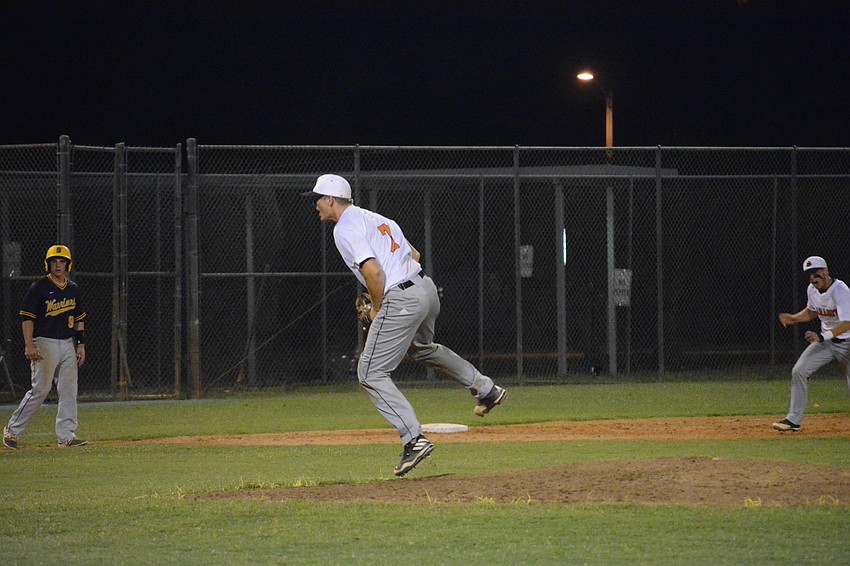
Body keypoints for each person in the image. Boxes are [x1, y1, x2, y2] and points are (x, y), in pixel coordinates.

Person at [303, 174, 507, 476]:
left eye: (318, 198)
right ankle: (485, 388)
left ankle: (414, 439)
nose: (316, 205)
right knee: (423, 348)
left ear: (331, 199)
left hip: (400, 298)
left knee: (370, 372)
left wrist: (377, 310)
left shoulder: (344, 228)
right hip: (425, 289)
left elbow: (374, 274)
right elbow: (414, 254)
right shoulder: (374, 217)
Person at [3, 245, 88, 449]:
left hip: (68, 343)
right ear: (48, 264)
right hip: (45, 342)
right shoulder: (39, 287)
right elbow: (27, 319)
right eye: (54, 262)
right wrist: (28, 343)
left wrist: (81, 344)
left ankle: (66, 435)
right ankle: (12, 431)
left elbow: (79, 320)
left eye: (61, 261)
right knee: (40, 390)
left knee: (69, 390)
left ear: (68, 264)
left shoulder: (73, 289)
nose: (58, 265)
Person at [774, 256, 850, 432]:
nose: (813, 279)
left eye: (816, 274)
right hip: (827, 342)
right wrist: (794, 318)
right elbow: (812, 311)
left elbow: (847, 323)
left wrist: (822, 337)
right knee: (799, 371)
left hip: (847, 342)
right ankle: (793, 421)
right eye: (809, 276)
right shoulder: (812, 290)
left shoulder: (841, 290)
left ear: (826, 271)